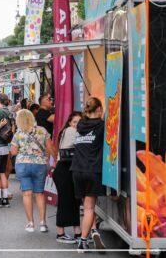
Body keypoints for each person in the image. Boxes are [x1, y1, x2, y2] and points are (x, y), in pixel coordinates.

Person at [10, 109, 55, 232]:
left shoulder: (18, 133)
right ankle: (43, 223)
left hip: (23, 165)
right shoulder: (42, 130)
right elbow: (50, 147)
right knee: (39, 194)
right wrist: (55, 160)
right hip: (39, 164)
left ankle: (30, 223)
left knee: (27, 193)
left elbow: (13, 151)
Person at [70, 97, 106, 251]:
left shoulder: (80, 125)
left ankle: (92, 230)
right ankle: (83, 240)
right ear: (98, 109)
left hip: (77, 170)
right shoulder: (102, 126)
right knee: (90, 207)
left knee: (86, 206)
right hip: (92, 170)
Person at [53, 112, 82, 244]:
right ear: (70, 123)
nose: (77, 124)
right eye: (75, 122)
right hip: (65, 170)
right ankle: (60, 234)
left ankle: (77, 232)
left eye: (79, 122)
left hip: (66, 170)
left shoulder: (67, 131)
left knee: (73, 201)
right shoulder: (71, 131)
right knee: (66, 202)